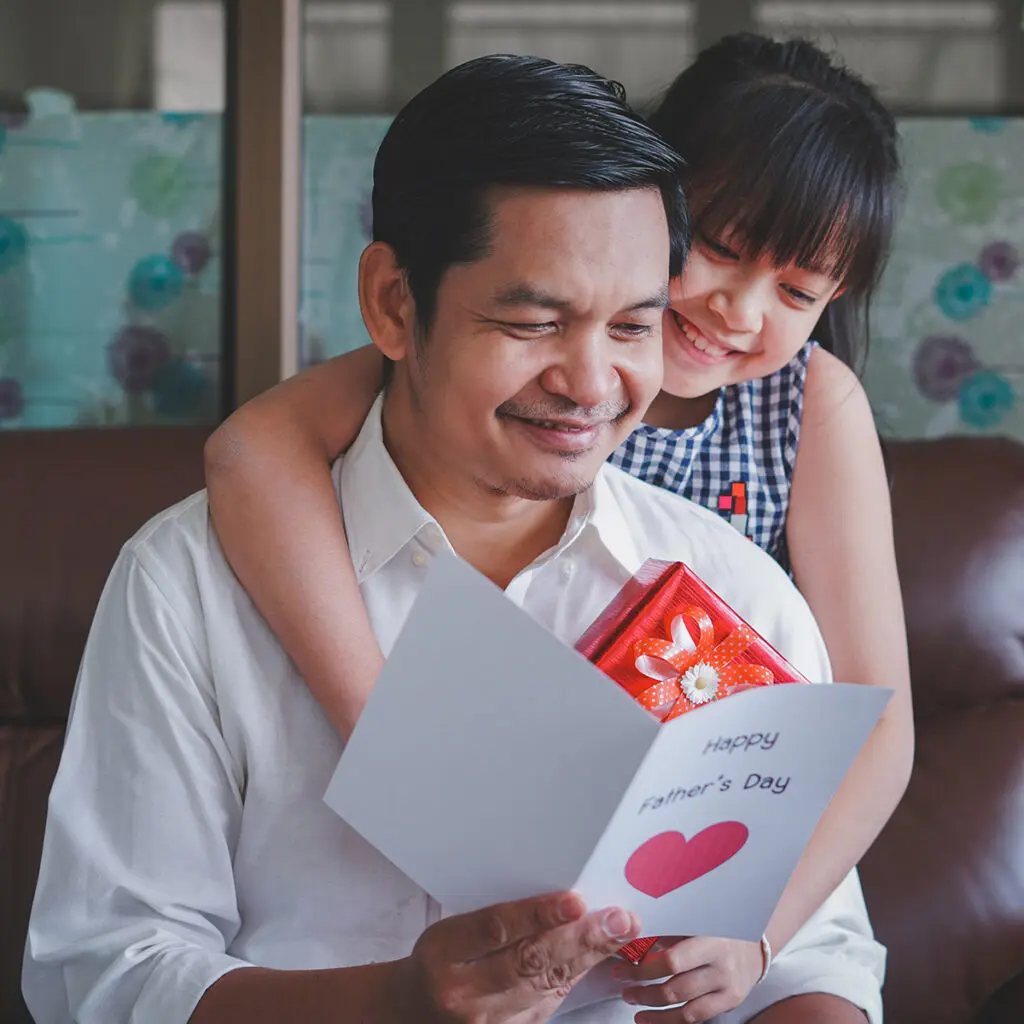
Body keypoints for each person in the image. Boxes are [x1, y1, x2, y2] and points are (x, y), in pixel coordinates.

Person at [23, 52, 882, 1024]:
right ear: (394, 303)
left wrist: (770, 966)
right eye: (534, 321)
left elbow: (816, 962)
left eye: (634, 327)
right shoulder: (189, 583)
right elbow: (108, 970)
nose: (591, 383)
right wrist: (389, 1004)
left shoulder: (737, 595)